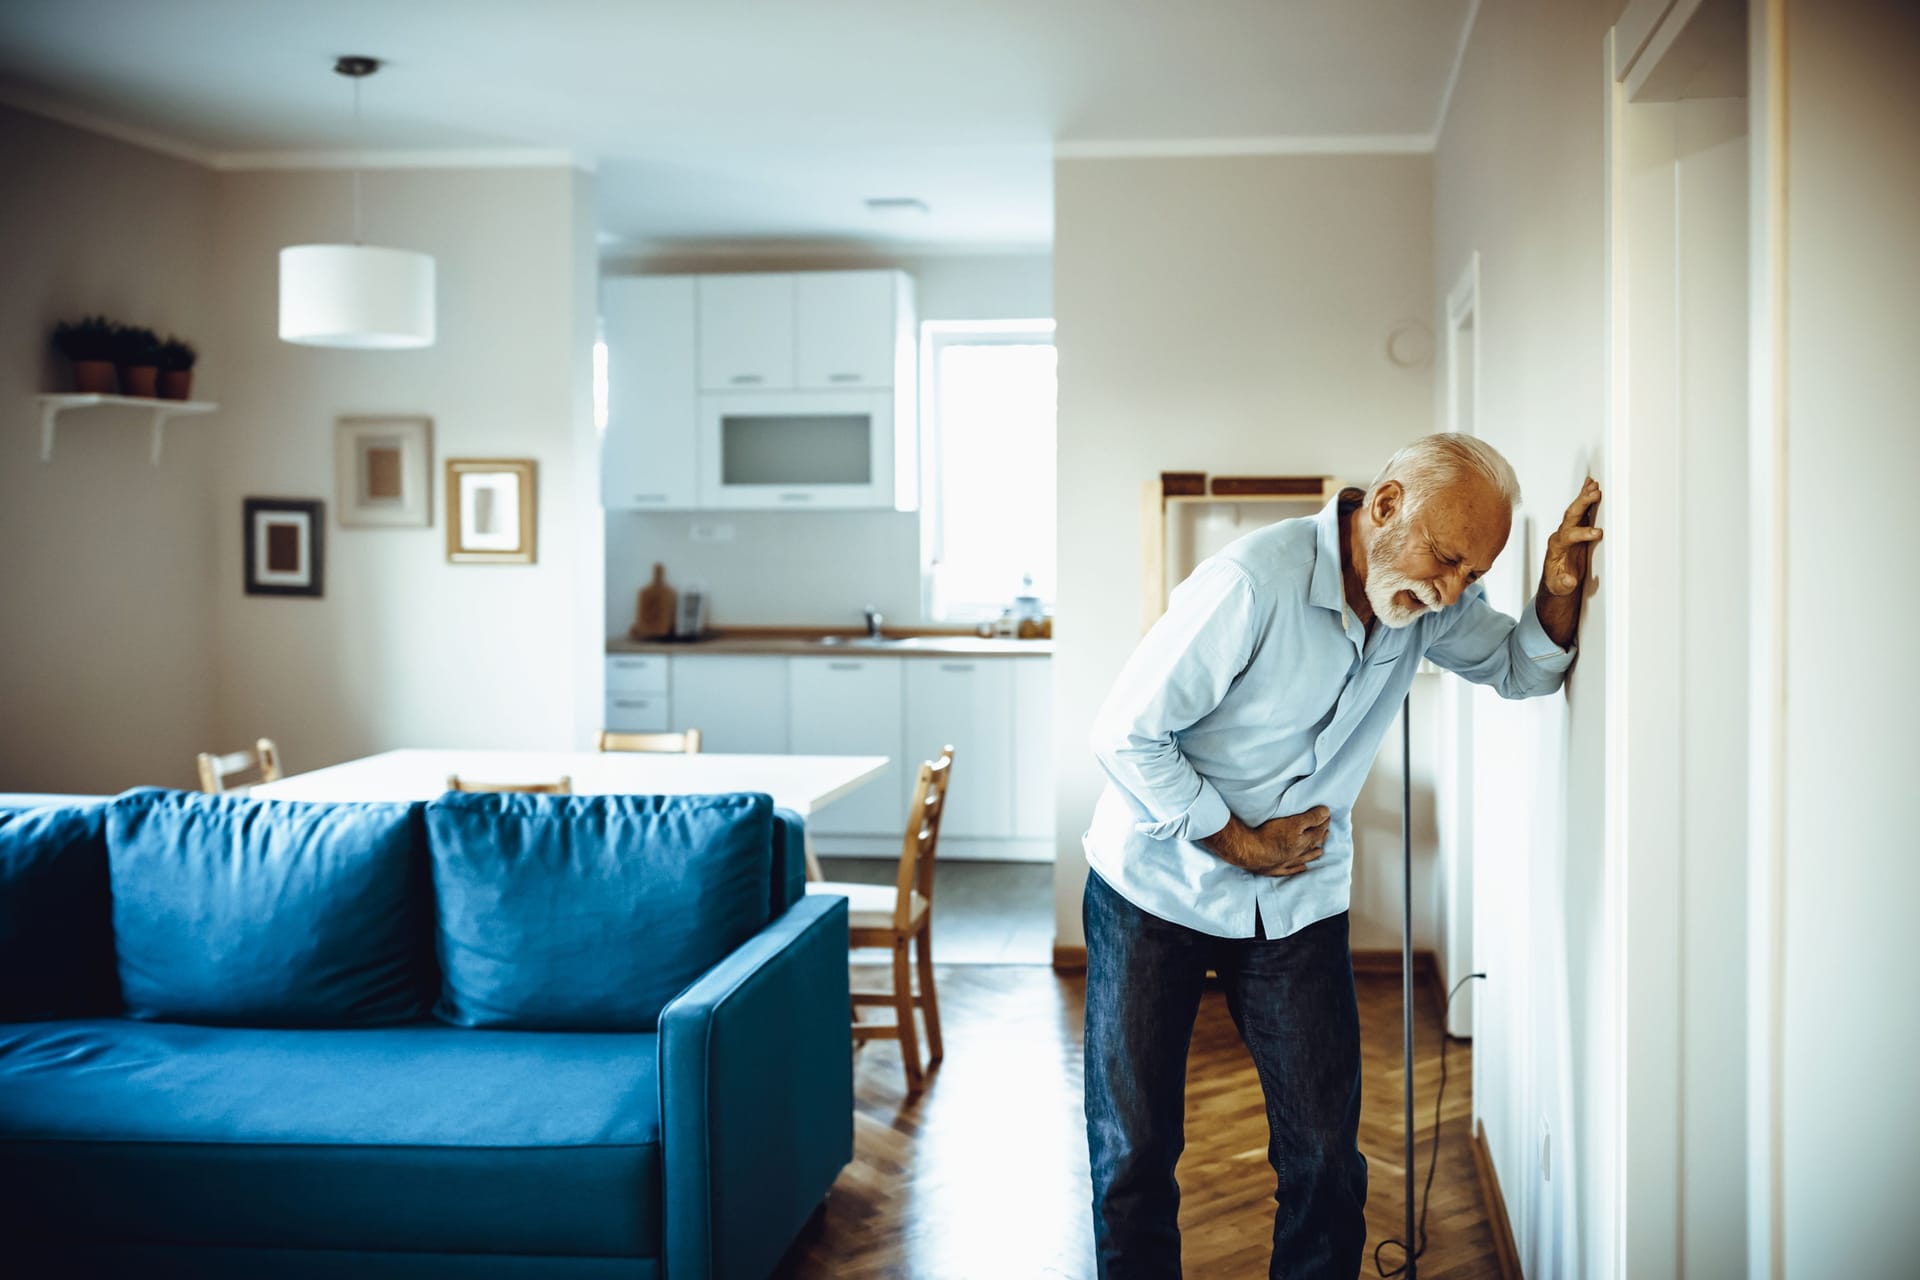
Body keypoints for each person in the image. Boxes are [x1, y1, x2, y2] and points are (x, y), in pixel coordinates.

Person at [1082, 434, 1602, 1278]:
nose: (1448, 591)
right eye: (1444, 560)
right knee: (1135, 1154)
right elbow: (1126, 736)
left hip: (1295, 903)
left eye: (1471, 575)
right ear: (1388, 505)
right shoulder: (1254, 583)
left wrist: (1556, 588)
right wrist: (1238, 840)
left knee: (1326, 1161)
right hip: (1154, 888)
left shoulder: (1427, 602)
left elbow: (1521, 670)